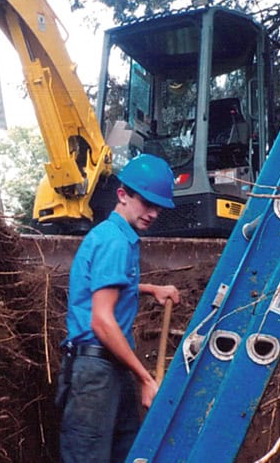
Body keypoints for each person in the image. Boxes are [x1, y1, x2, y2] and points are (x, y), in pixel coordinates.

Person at [57, 153, 181, 463]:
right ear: (122, 195)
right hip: (96, 370)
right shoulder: (114, 242)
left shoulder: (115, 237)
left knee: (126, 449)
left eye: (158, 208)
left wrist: (151, 288)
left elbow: (102, 286)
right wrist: (145, 378)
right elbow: (101, 321)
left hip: (109, 366)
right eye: (146, 203)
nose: (152, 213)